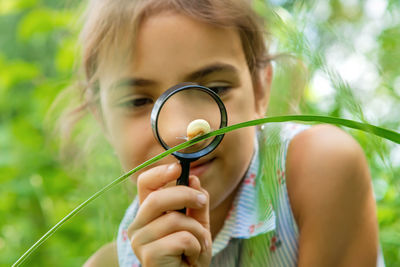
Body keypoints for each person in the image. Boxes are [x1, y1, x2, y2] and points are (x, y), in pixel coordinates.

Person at [74, 0, 383, 266]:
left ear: (261, 90)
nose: (181, 131)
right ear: (103, 121)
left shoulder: (319, 167)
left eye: (215, 89)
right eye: (138, 101)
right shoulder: (115, 261)